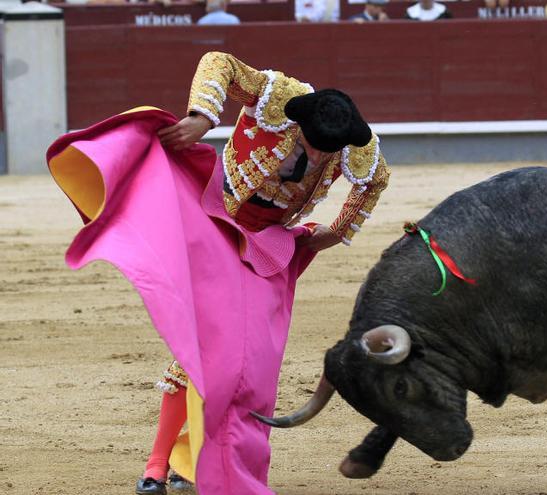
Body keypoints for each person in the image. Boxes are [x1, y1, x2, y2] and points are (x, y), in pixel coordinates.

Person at [47, 50, 389, 495]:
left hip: (264, 245)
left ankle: (178, 463)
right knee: (203, 344)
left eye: (328, 149)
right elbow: (218, 61)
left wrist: (338, 231)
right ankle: (157, 464)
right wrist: (203, 117)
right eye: (311, 142)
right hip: (212, 220)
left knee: (237, 357)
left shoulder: (355, 145)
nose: (317, 152)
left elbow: (375, 180)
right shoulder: (278, 94)